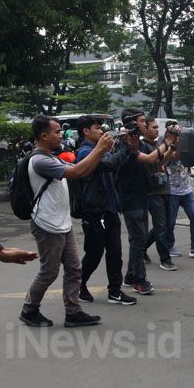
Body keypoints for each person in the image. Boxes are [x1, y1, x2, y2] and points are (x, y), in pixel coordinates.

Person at [20, 115, 113, 328]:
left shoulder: (53, 157)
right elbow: (76, 171)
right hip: (46, 224)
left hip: (61, 222)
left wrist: (102, 151)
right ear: (43, 136)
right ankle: (29, 309)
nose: (61, 135)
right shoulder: (40, 160)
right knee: (49, 271)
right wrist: (99, 149)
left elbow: (82, 171)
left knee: (74, 268)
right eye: (57, 132)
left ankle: (73, 312)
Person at [74, 115, 137, 306]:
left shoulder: (100, 150)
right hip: (94, 211)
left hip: (110, 209)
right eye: (97, 128)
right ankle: (79, 285)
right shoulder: (86, 152)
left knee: (115, 253)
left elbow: (116, 166)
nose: (102, 131)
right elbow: (108, 165)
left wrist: (126, 145)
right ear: (86, 131)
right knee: (94, 253)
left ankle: (115, 292)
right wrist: (124, 146)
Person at [117, 108, 177, 295]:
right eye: (142, 121)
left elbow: (157, 163)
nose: (145, 124)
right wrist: (167, 141)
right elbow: (151, 158)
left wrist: (170, 145)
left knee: (138, 238)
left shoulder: (139, 143)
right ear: (132, 122)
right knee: (138, 240)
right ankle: (139, 281)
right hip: (130, 198)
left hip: (141, 196)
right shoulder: (124, 142)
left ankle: (129, 276)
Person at [165, 120, 194, 259]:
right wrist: (178, 140)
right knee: (170, 222)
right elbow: (174, 157)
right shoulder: (167, 146)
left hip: (186, 190)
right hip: (172, 191)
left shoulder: (188, 144)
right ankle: (169, 246)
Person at [141, 117, 177, 271]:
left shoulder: (157, 144)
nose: (157, 130)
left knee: (165, 225)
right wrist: (167, 143)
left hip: (164, 187)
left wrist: (172, 146)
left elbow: (163, 162)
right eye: (154, 127)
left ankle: (141, 247)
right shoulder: (143, 145)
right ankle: (165, 259)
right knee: (161, 225)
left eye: (157, 127)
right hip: (153, 191)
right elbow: (152, 161)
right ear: (146, 129)